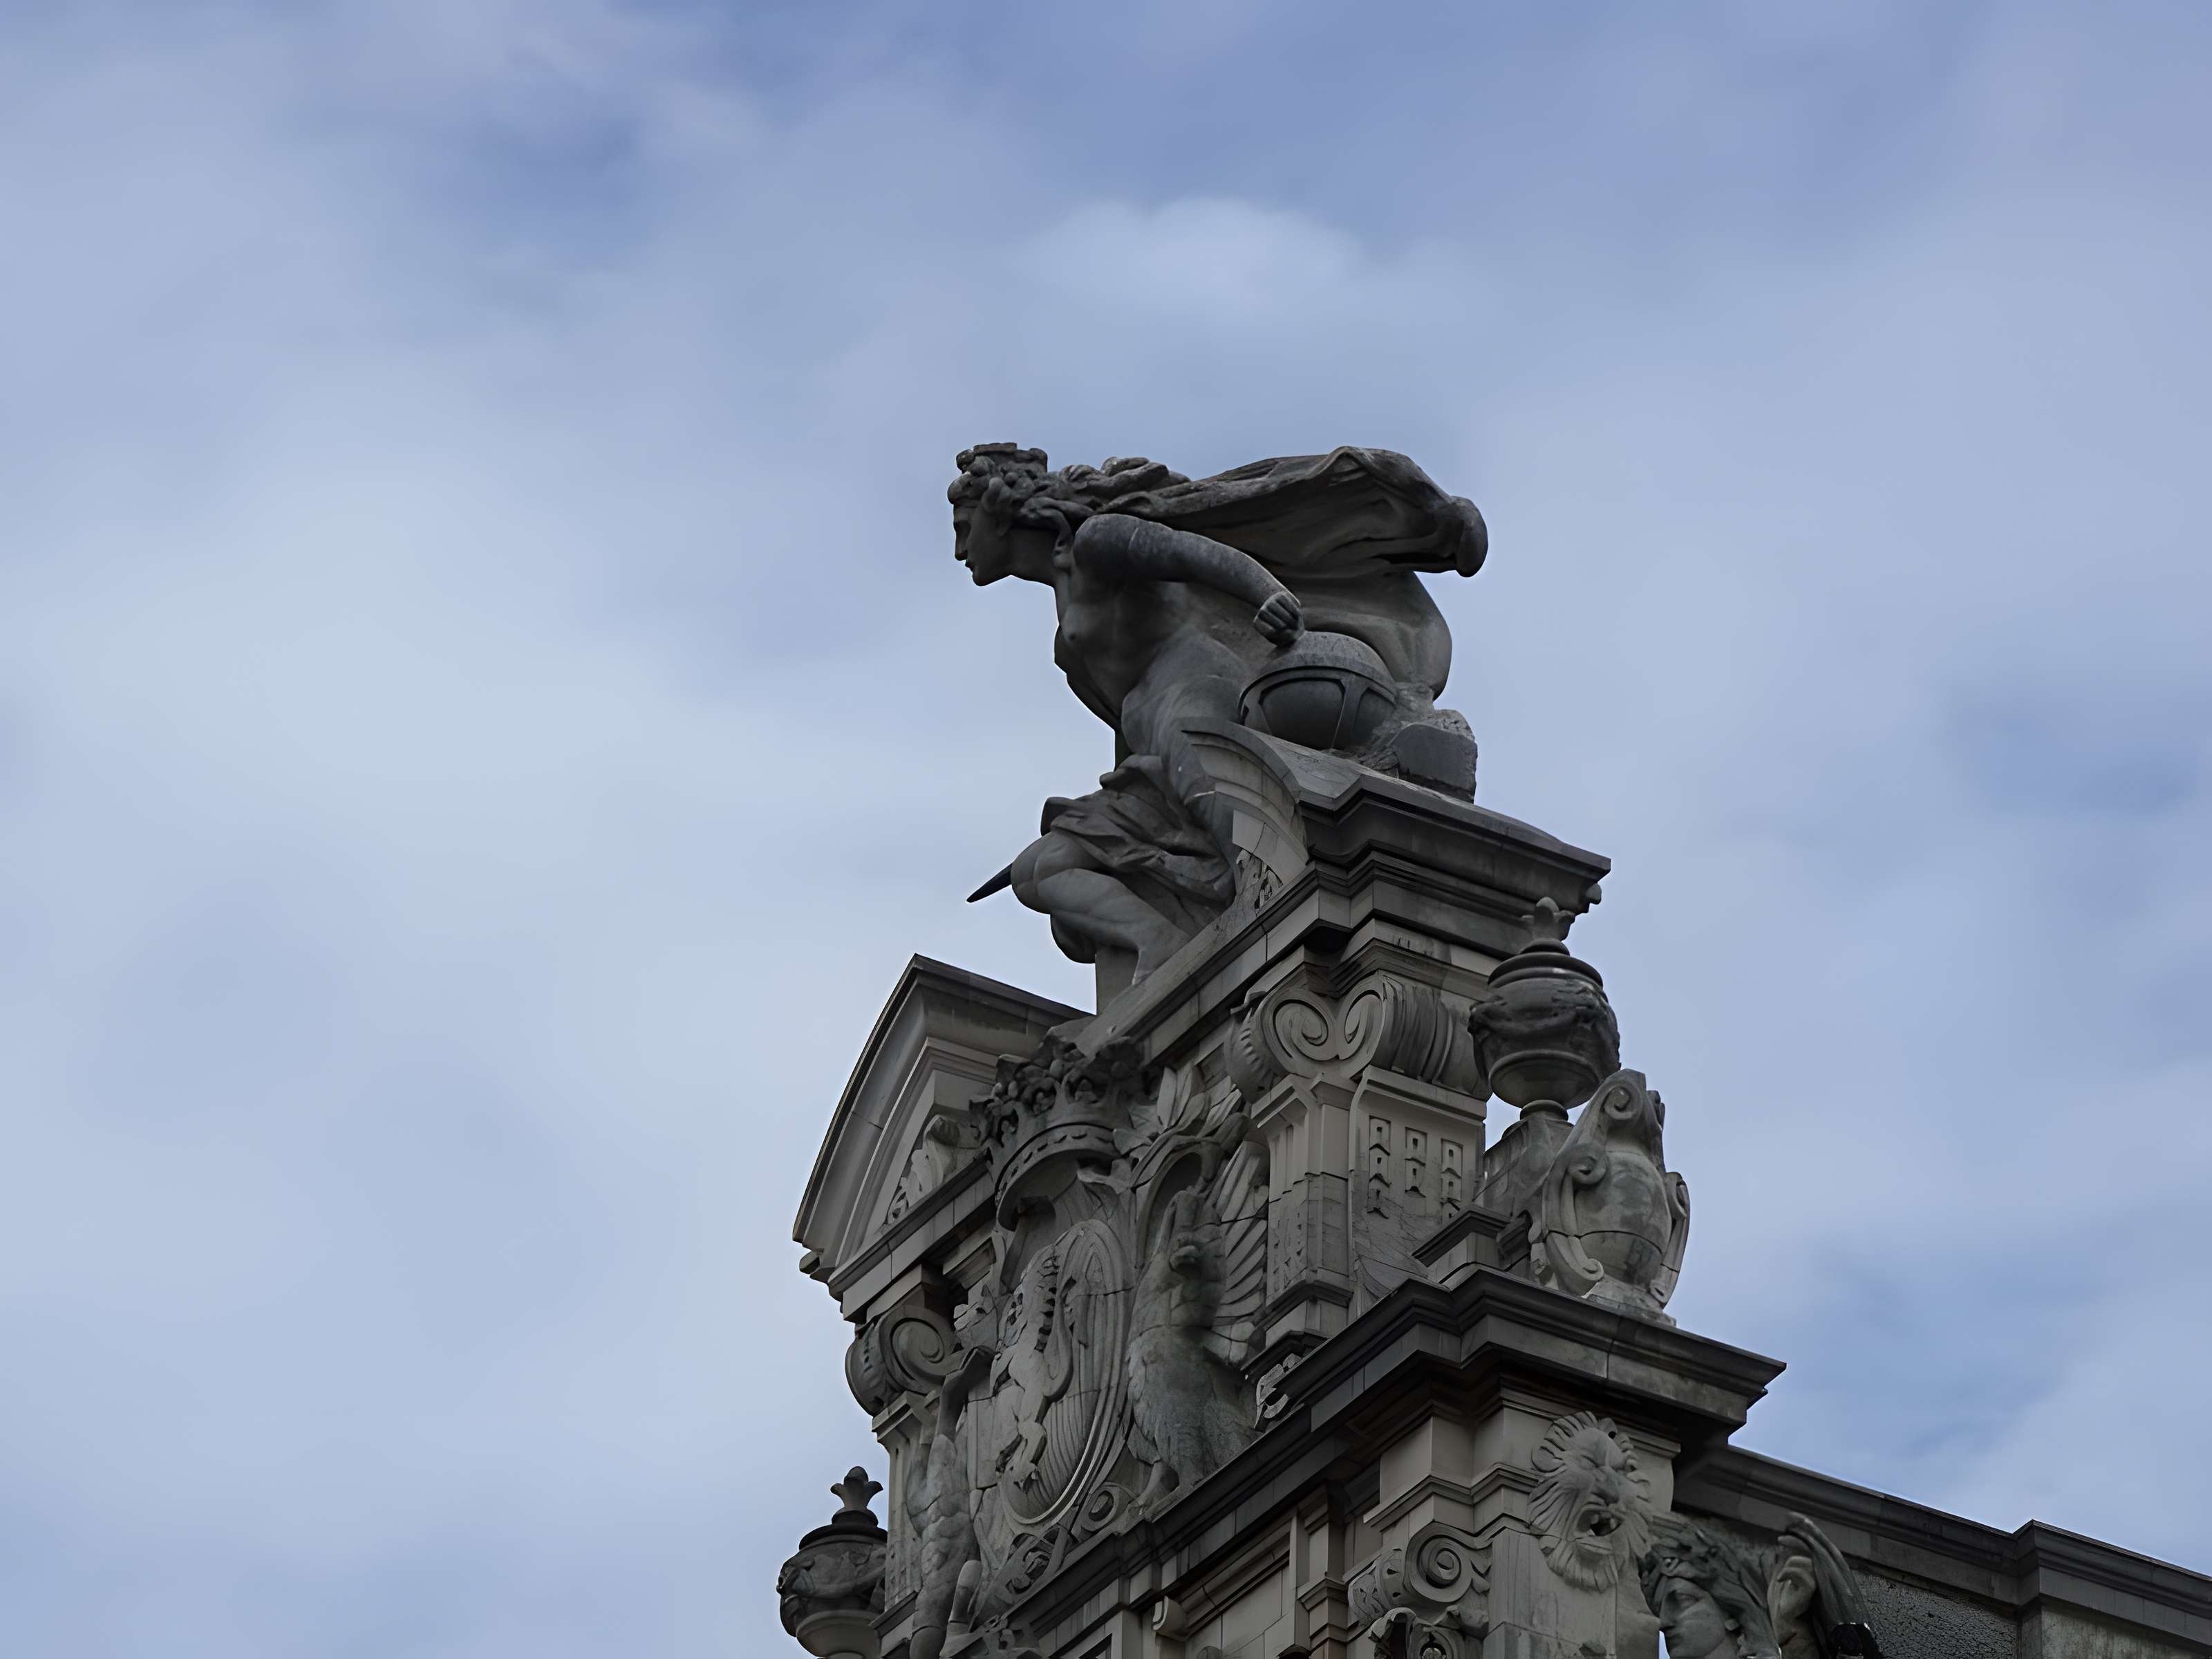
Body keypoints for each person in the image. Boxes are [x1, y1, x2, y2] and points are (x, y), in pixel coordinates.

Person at [951, 443, 1485, 979]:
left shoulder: (1099, 540)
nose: (959, 550)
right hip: (1147, 750)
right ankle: (1160, 945)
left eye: (964, 528)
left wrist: (1268, 594)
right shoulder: (1065, 627)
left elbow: (1192, 554)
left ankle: (1283, 927)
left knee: (1250, 846)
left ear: (1000, 513)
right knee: (1041, 868)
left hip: (1192, 697)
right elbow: (1122, 723)